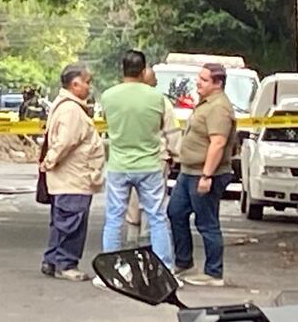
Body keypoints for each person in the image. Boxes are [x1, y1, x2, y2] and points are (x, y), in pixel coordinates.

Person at [99, 51, 174, 270]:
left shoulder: (108, 96)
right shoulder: (157, 98)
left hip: (119, 165)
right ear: (143, 71)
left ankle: (110, 269)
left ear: (122, 71)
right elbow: (164, 127)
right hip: (149, 165)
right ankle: (165, 268)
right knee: (158, 218)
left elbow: (107, 121)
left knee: (114, 219)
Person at [168, 63, 236, 287]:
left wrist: (207, 176)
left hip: (204, 173)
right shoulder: (206, 103)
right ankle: (184, 262)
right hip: (188, 171)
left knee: (206, 222)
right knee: (175, 212)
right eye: (199, 78)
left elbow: (218, 143)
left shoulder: (219, 107)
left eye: (204, 79)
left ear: (217, 83)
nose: (198, 82)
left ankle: (213, 272)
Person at [40, 63, 105, 282]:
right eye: (87, 82)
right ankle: (65, 264)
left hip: (67, 177)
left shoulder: (66, 106)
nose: (89, 87)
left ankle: (52, 259)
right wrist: (50, 160)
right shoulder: (71, 110)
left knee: (61, 220)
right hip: (74, 177)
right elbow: (64, 142)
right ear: (75, 83)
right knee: (72, 221)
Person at [124, 67, 181, 245]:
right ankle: (148, 246)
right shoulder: (161, 102)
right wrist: (177, 156)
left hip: (128, 159)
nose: (157, 82)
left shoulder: (123, 101)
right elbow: (172, 132)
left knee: (133, 205)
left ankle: (131, 244)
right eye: (155, 79)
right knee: (153, 206)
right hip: (155, 160)